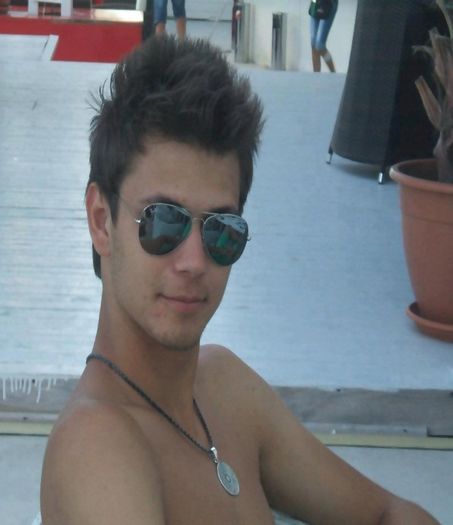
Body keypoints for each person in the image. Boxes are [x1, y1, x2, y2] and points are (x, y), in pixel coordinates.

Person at [40, 35, 439, 524]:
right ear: (102, 221)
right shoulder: (97, 445)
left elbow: (389, 513)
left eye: (220, 230)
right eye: (163, 222)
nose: (193, 261)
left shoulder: (225, 389)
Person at [309, 0, 337, 72]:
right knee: (313, 43)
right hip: (315, 2)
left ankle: (333, 72)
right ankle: (316, 75)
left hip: (329, 3)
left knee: (319, 45)